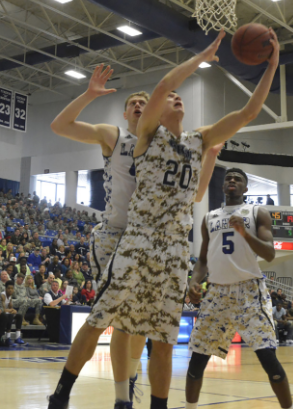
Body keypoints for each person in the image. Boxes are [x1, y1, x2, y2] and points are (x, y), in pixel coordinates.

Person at [50, 31, 277, 409]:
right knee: (105, 319)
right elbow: (163, 85)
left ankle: (140, 399)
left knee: (161, 336)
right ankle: (62, 396)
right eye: (166, 98)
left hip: (173, 249)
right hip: (132, 239)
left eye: (177, 97)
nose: (175, 97)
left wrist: (271, 65)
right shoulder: (143, 136)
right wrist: (201, 56)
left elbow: (248, 113)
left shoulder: (198, 139)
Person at [49, 66, 151, 400]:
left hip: (147, 240)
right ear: (125, 112)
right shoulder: (114, 136)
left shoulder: (164, 146)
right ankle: (63, 391)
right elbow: (59, 126)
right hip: (113, 235)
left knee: (139, 319)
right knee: (106, 314)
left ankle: (129, 384)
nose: (137, 105)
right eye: (132, 102)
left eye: (143, 102)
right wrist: (89, 95)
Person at [185, 168, 293, 409]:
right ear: (223, 187)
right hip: (216, 292)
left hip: (249, 291)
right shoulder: (209, 217)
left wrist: (244, 233)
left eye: (238, 179)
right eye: (228, 178)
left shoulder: (257, 212)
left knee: (268, 358)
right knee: (197, 360)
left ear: (246, 188)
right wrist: (194, 281)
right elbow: (202, 259)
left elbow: (269, 252)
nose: (232, 181)